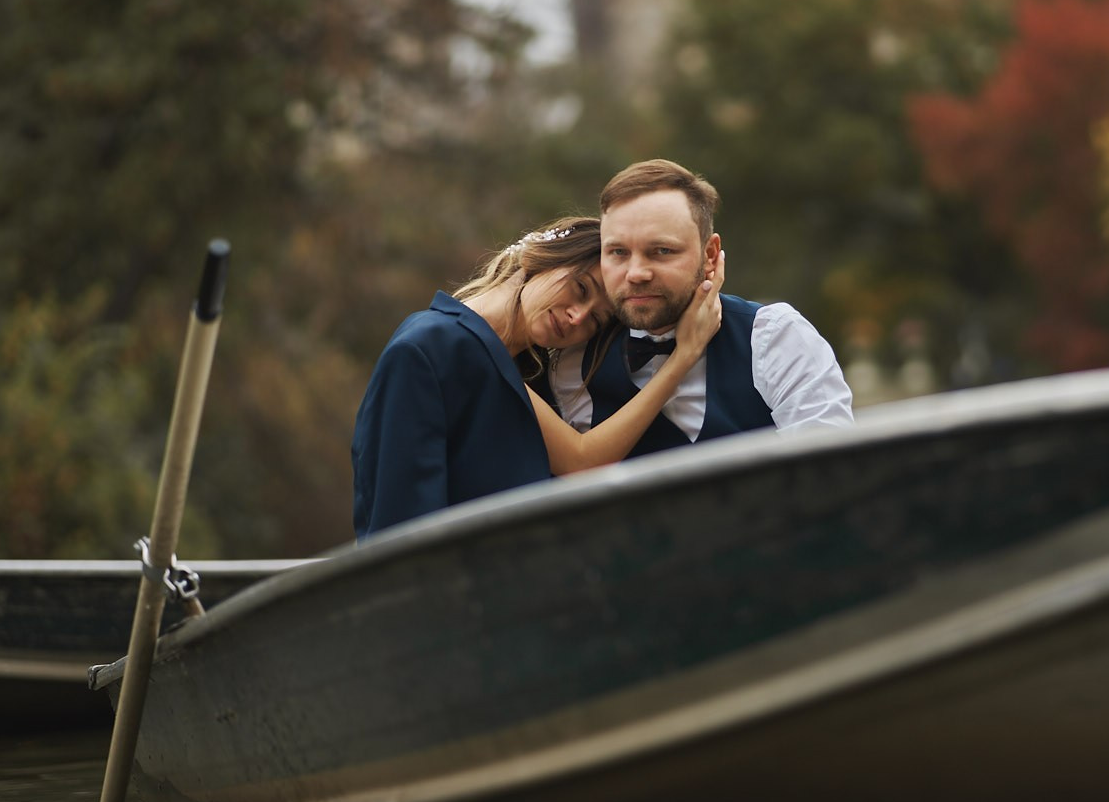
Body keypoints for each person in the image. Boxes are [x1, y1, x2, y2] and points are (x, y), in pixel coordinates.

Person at [351, 216, 722, 540]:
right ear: (540, 256)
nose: (578, 317)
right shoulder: (431, 348)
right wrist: (683, 357)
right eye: (581, 288)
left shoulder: (520, 372)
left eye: (595, 320)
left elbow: (581, 463)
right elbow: (398, 525)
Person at [548, 159, 852, 455]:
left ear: (710, 254)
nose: (636, 273)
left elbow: (829, 471)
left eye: (662, 250)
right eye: (618, 252)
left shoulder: (775, 337)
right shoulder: (575, 365)